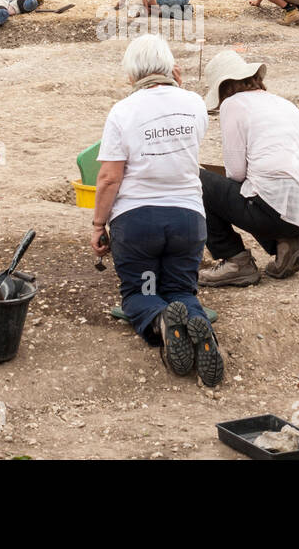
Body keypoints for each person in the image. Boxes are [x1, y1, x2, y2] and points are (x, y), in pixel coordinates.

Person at [89, 34, 223, 386]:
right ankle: (199, 327)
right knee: (181, 290)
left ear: (132, 74)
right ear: (170, 67)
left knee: (142, 293)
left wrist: (97, 225)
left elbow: (108, 178)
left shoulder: (123, 111)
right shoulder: (193, 103)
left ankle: (163, 322)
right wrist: (179, 87)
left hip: (139, 224)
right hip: (187, 221)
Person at [196, 51, 299, 287]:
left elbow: (236, 173)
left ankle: (236, 261)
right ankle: (286, 244)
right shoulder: (282, 102)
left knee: (197, 180)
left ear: (223, 87)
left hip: (277, 209)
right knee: (255, 187)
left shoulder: (233, 105)